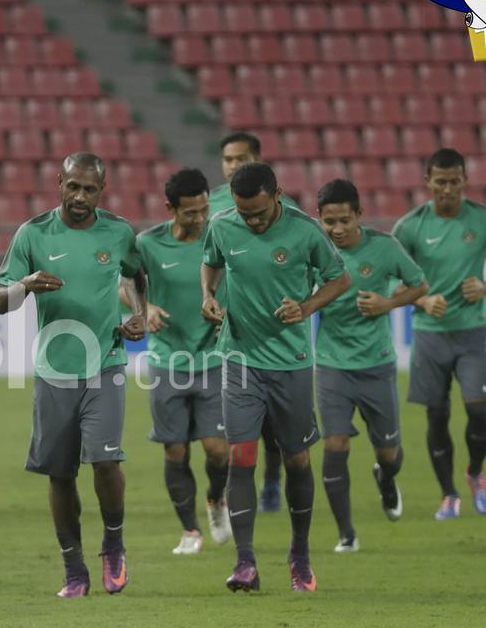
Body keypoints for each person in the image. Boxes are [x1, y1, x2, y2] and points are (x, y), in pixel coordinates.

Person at [0, 152, 147, 598]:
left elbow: (138, 275)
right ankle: (74, 568)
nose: (80, 196)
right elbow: (1, 301)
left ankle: (113, 546)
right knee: (60, 475)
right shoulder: (33, 234)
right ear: (58, 182)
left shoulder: (117, 232)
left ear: (103, 190)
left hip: (106, 363)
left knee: (105, 461)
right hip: (54, 371)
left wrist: (138, 313)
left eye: (90, 189)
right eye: (73, 186)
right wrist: (26, 284)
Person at [200, 163, 349, 593]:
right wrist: (208, 295)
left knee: (297, 459)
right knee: (242, 456)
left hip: (292, 362)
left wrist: (306, 307)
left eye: (260, 213)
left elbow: (339, 279)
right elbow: (210, 264)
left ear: (278, 194)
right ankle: (245, 562)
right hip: (239, 358)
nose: (253, 221)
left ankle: (299, 555)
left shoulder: (305, 231)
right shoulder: (222, 226)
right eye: (246, 213)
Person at [392, 148, 486, 520]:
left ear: (465, 181)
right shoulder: (409, 226)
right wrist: (422, 300)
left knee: (478, 410)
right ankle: (448, 494)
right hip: (430, 334)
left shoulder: (485, 221)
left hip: (472, 332)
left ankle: (476, 472)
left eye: (454, 181)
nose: (447, 189)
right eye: (440, 181)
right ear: (428, 182)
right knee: (436, 415)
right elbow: (390, 279)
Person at [312, 179, 428, 552]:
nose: (338, 229)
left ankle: (386, 477)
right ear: (321, 220)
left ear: (359, 215)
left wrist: (388, 304)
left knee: (388, 453)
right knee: (335, 443)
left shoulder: (384, 248)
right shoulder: (316, 253)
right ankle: (346, 533)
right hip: (331, 364)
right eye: (330, 222)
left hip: (377, 364)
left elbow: (419, 285)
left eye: (345, 220)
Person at [127, 167, 230, 555]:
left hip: (214, 357)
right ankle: (190, 531)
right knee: (175, 450)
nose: (200, 218)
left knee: (219, 450)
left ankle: (217, 499)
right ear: (170, 208)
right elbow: (125, 283)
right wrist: (145, 306)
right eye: (190, 212)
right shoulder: (148, 244)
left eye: (204, 209)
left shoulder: (219, 238)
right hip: (167, 360)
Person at [205, 132, 297, 513]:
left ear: (257, 158)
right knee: (229, 416)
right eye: (227, 159)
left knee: (271, 422)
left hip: (269, 327)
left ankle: (272, 478)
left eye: (240, 158)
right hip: (222, 323)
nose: (232, 166)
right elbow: (206, 258)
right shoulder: (209, 204)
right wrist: (208, 300)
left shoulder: (281, 205)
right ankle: (234, 491)